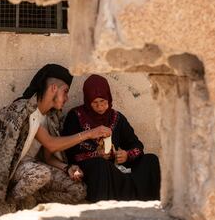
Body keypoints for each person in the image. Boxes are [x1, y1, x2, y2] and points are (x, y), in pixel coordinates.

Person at [0, 64, 111, 215]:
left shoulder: (50, 118)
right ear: (53, 89)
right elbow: (51, 144)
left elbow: (48, 157)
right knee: (41, 173)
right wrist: (89, 133)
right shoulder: (22, 110)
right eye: (65, 92)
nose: (67, 98)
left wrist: (67, 168)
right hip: (15, 171)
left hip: (37, 169)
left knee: (79, 190)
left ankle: (33, 198)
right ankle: (10, 203)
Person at [63, 74, 160, 202]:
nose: (100, 107)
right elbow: (69, 153)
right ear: (87, 101)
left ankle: (150, 203)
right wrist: (95, 154)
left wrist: (126, 154)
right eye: (95, 103)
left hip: (115, 169)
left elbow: (137, 146)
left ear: (109, 98)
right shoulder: (75, 117)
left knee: (151, 160)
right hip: (94, 170)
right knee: (101, 165)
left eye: (103, 101)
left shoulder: (116, 118)